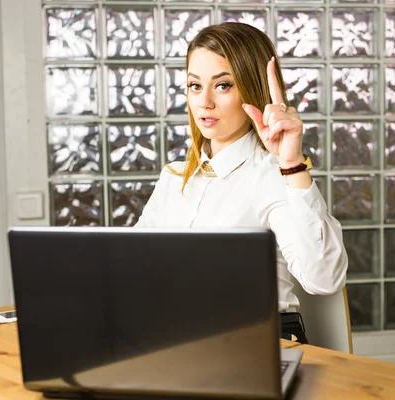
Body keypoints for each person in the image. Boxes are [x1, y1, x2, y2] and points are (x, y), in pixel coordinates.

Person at [135, 22, 348, 344]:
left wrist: (291, 164)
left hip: (258, 341)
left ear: (251, 90)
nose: (204, 102)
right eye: (195, 86)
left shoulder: (273, 174)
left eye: (223, 85)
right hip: (181, 337)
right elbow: (130, 265)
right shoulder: (174, 176)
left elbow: (324, 279)